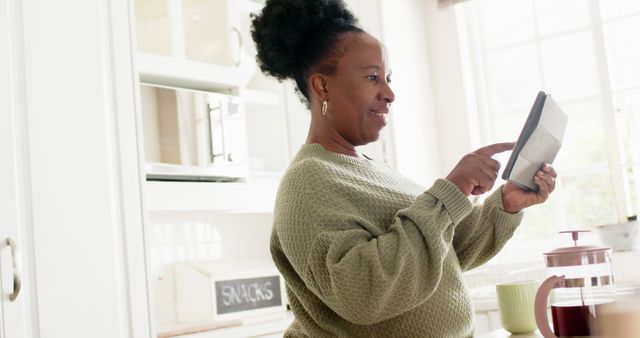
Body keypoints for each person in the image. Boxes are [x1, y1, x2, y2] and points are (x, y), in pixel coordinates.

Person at [250, 0, 557, 337]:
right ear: (322, 85)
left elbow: (438, 257)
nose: (390, 93)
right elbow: (363, 293)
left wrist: (504, 205)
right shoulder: (308, 182)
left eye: (388, 78)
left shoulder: (376, 171)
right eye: (372, 77)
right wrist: (448, 192)